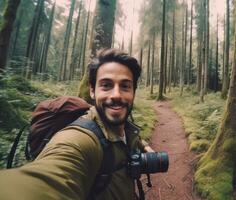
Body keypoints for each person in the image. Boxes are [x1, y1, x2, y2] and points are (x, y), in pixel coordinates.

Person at [0, 48, 153, 200]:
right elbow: (47, 181)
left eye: (125, 86)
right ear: (92, 91)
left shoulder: (124, 127)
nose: (116, 95)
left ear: (133, 92)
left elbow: (126, 134)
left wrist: (144, 146)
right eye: (106, 85)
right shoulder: (79, 140)